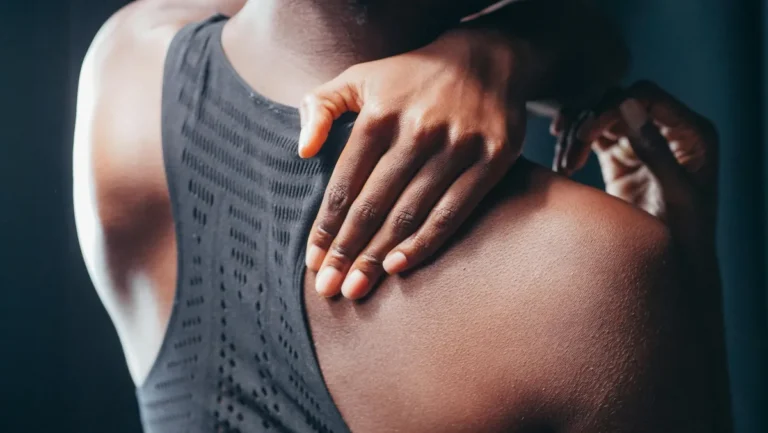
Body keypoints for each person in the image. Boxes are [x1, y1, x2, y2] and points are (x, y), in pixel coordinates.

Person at [72, 1, 728, 433]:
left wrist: (506, 53)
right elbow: (597, 47)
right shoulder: (590, 273)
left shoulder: (124, 72)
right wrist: (687, 268)